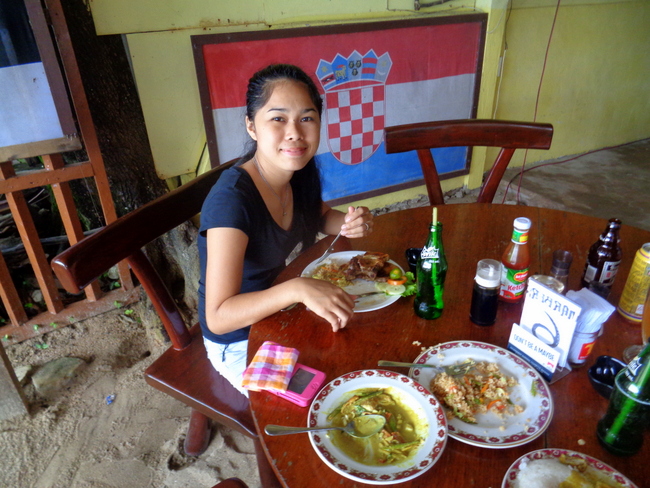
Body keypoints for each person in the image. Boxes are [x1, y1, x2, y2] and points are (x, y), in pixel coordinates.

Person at [198, 64, 374, 395]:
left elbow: (320, 217)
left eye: (306, 118)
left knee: (366, 353)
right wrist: (297, 289)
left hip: (283, 312)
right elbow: (219, 317)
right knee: (327, 399)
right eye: (278, 119)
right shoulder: (231, 202)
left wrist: (350, 220)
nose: (294, 132)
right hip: (240, 341)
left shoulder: (297, 171)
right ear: (252, 126)